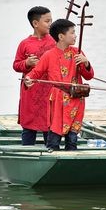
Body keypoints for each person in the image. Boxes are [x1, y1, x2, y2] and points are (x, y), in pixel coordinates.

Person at [24, 19, 95, 151]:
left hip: (75, 99)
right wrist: (28, 79)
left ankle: (71, 158)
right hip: (58, 100)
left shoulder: (77, 53)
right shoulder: (49, 55)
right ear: (61, 36)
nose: (75, 36)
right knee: (54, 136)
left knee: (72, 138)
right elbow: (36, 72)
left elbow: (88, 76)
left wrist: (86, 63)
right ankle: (53, 155)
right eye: (72, 33)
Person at [13, 6, 56, 146]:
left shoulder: (55, 42)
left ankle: (51, 151)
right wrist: (27, 62)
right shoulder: (25, 44)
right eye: (47, 21)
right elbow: (16, 65)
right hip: (30, 90)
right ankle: (26, 152)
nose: (50, 24)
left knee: (49, 124)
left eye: (51, 20)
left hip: (49, 90)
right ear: (35, 23)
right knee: (29, 126)